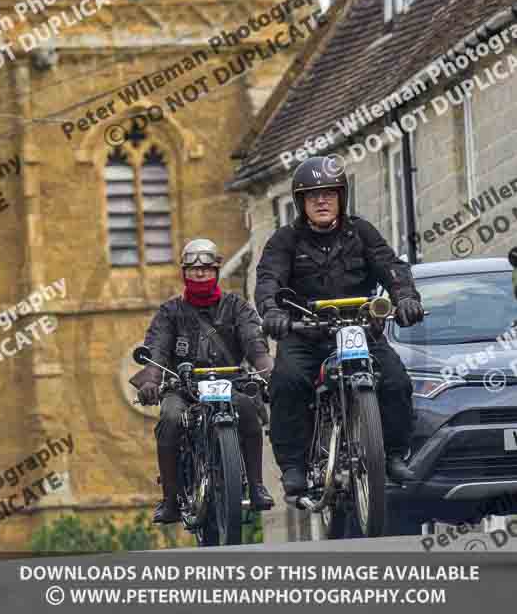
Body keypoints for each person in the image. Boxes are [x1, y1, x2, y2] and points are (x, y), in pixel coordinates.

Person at [255, 157, 424, 496]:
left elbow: (392, 268)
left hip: (359, 329)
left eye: (329, 194)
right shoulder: (284, 240)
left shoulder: (361, 232)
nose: (321, 201)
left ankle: (391, 455)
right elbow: (268, 280)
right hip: (305, 333)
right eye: (312, 195)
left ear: (341, 198)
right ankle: (294, 466)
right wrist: (272, 311)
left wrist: (405, 297)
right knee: (286, 382)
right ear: (301, 202)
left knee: (395, 380)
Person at [130, 238, 275, 524]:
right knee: (170, 418)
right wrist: (151, 380)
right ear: (184, 272)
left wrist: (267, 368)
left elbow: (253, 341)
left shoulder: (237, 306)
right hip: (183, 388)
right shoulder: (170, 312)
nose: (200, 274)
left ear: (216, 272)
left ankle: (256, 486)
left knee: (247, 409)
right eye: (194, 270)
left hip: (230, 383)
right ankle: (170, 500)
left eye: (207, 269)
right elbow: (157, 347)